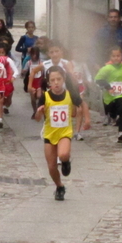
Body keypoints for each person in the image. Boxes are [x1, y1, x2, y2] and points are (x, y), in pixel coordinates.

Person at [33, 66, 90, 201]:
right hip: (49, 134)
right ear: (49, 82)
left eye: (58, 79)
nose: (56, 82)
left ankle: (66, 161)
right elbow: (36, 118)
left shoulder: (70, 94)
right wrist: (39, 112)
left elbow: (83, 105)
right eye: (53, 80)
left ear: (63, 79)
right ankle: (59, 186)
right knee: (52, 167)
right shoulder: (45, 96)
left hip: (64, 132)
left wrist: (87, 120)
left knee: (63, 154)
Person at [95, 46, 122, 143]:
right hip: (109, 97)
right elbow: (98, 79)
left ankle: (121, 132)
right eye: (113, 56)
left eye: (118, 56)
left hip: (120, 94)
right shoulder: (106, 68)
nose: (116, 58)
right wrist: (108, 87)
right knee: (113, 111)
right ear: (110, 57)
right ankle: (112, 116)